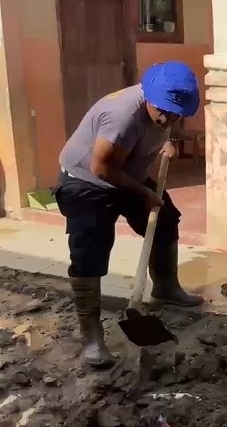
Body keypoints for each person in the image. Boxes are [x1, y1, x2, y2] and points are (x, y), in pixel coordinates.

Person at [54, 61, 204, 368]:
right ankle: (92, 335)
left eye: (176, 112)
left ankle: (165, 287)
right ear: (149, 95)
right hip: (87, 181)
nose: (168, 117)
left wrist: (170, 141)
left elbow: (169, 121)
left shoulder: (167, 110)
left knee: (164, 219)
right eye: (163, 109)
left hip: (126, 172)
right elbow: (102, 167)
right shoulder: (122, 116)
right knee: (90, 251)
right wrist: (144, 192)